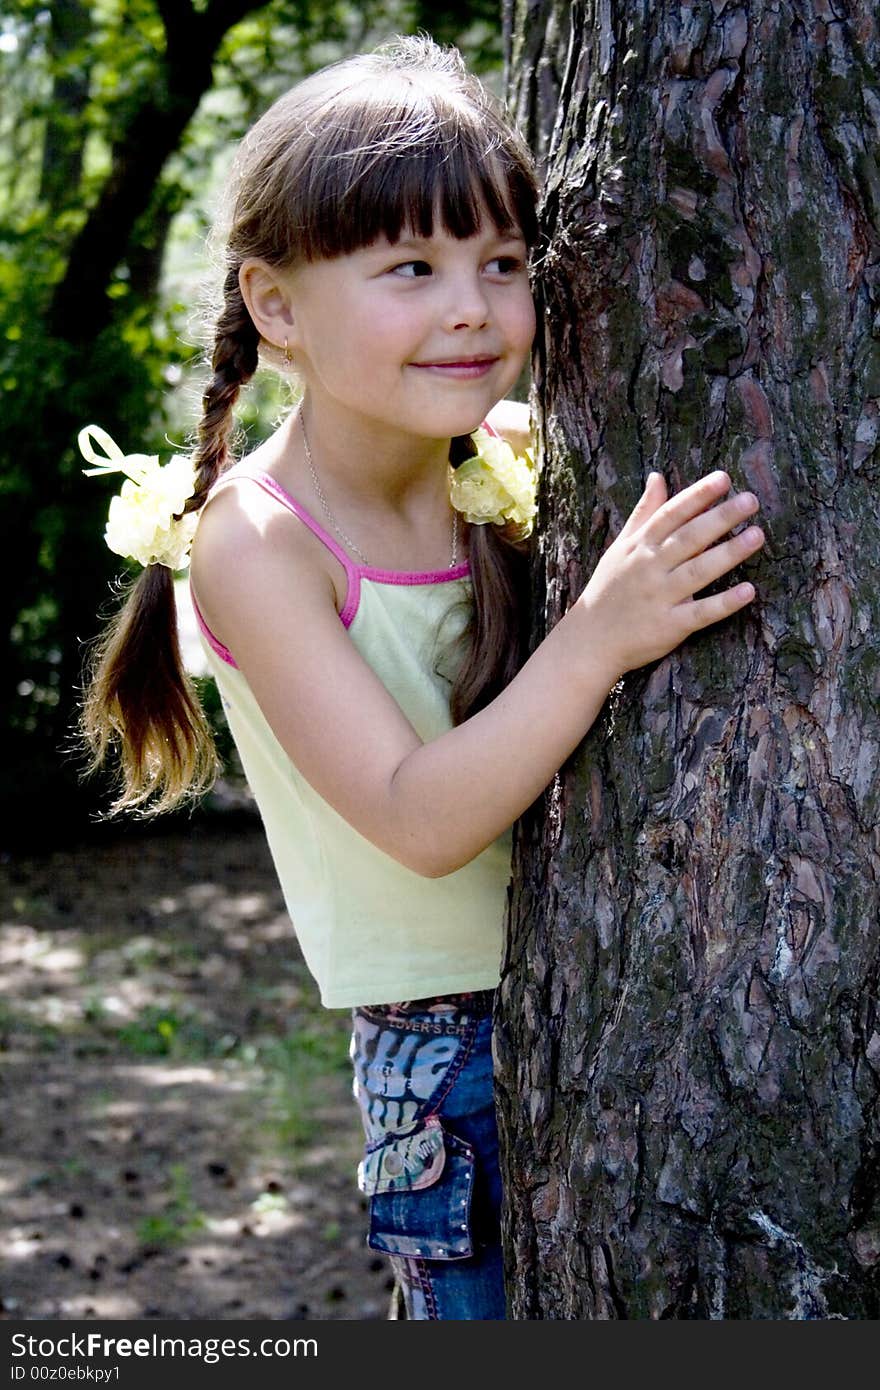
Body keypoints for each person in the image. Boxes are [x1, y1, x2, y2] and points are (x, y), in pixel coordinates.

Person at [78, 35, 765, 1321]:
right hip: (444, 1058)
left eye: (501, 264)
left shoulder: (489, 460)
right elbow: (419, 816)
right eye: (411, 267)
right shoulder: (260, 539)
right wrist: (603, 633)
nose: (473, 308)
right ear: (275, 306)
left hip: (607, 1006)